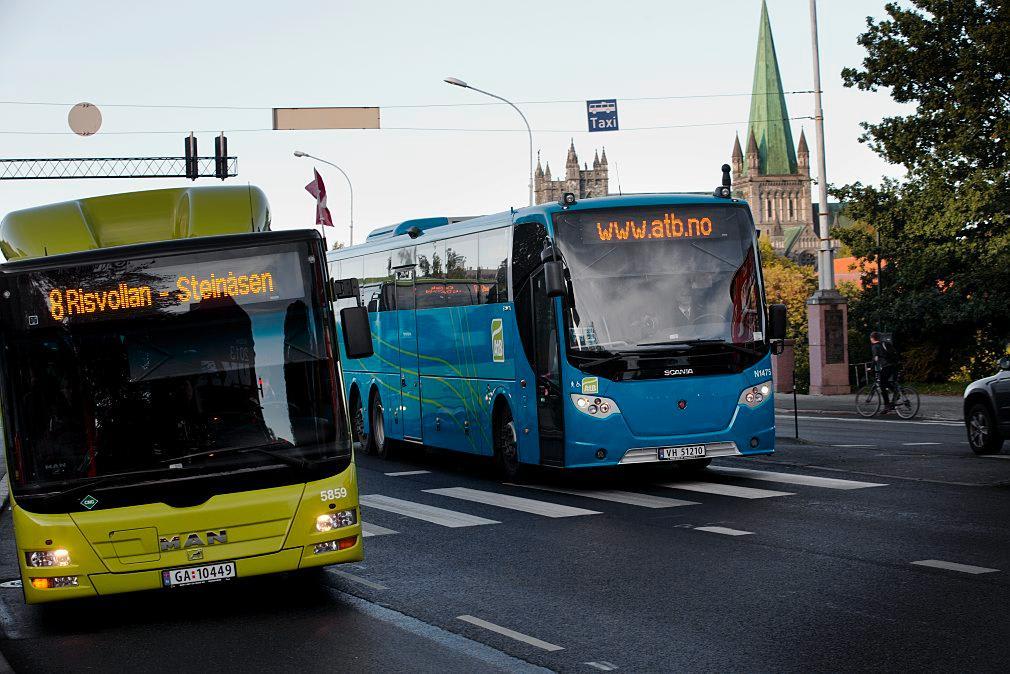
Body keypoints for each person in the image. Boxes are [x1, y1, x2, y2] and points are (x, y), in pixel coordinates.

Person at [870, 332, 899, 411]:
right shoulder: (884, 344)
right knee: (886, 382)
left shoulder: (875, 346)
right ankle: (896, 393)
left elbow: (875, 358)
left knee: (882, 384)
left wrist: (871, 368)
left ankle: (887, 405)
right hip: (894, 365)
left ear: (872, 338)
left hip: (886, 366)